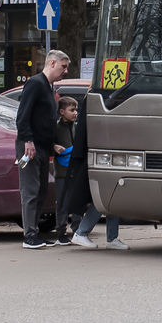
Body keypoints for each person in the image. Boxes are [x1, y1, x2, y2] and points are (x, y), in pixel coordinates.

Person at [15, 48, 69, 249]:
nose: (65, 71)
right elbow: (23, 116)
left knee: (41, 191)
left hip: (42, 148)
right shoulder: (35, 84)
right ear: (52, 63)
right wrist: (28, 140)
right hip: (29, 147)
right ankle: (29, 236)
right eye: (63, 67)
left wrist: (51, 144)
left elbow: (44, 121)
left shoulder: (48, 87)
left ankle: (34, 232)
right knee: (30, 191)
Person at [63, 95, 128, 250]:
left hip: (105, 152)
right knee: (107, 197)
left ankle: (111, 237)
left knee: (113, 195)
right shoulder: (100, 96)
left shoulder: (100, 94)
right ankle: (82, 232)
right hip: (101, 153)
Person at [52, 96, 78, 245]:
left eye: (76, 110)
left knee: (76, 201)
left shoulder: (76, 127)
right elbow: (50, 145)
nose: (75, 113)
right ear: (62, 112)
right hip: (62, 172)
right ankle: (61, 232)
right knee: (62, 202)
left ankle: (77, 230)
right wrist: (54, 148)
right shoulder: (56, 128)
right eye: (72, 110)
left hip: (76, 171)